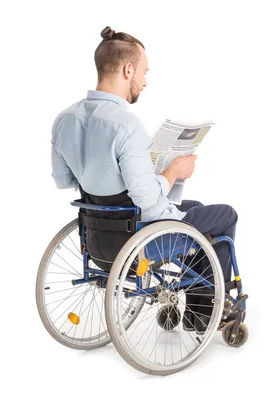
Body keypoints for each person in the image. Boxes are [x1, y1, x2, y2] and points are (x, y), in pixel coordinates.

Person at [50, 26, 238, 332]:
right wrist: (173, 172)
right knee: (225, 215)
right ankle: (204, 313)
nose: (145, 81)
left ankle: (195, 303)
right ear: (127, 69)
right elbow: (147, 201)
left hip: (98, 238)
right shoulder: (126, 124)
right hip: (137, 238)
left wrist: (104, 179)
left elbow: (63, 180)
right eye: (143, 72)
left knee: (198, 206)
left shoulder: (64, 119)